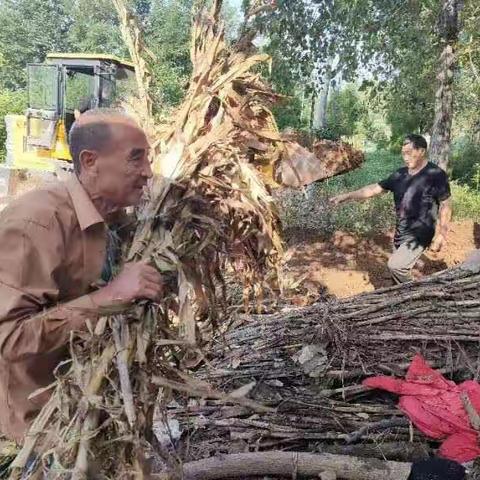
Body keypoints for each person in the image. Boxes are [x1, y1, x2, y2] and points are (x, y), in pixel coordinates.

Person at [0, 108, 163, 443]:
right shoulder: (36, 225)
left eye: (148, 159)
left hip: (92, 398)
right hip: (39, 421)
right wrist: (109, 298)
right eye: (136, 159)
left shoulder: (116, 218)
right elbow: (9, 338)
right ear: (90, 162)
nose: (148, 172)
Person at [330, 134, 452, 284]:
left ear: (421, 151)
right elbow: (374, 189)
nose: (405, 158)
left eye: (409, 153)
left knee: (396, 266)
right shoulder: (399, 174)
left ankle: (416, 294)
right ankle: (399, 301)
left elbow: (446, 204)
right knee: (398, 273)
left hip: (421, 232)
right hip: (401, 231)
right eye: (403, 154)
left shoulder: (436, 175)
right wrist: (347, 196)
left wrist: (442, 235)